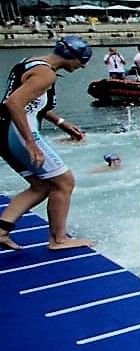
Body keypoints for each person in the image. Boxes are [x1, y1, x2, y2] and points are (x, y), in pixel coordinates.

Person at [0, 36, 93, 250]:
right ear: (72, 57)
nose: (83, 66)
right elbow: (14, 103)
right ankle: (59, 240)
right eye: (82, 61)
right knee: (64, 182)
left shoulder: (31, 62)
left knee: (41, 185)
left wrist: (61, 123)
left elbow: (31, 101)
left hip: (4, 132)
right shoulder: (46, 74)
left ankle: (2, 230)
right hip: (17, 133)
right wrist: (31, 143)